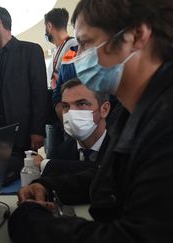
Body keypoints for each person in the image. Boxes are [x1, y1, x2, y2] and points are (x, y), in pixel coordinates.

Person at [9, 0, 173, 242]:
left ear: (136, 35)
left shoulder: (165, 123)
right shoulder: (130, 112)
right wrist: (48, 186)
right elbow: (107, 177)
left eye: (85, 44)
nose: (78, 59)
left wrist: (30, 221)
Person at [0, 6, 47, 183]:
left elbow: (39, 92)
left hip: (25, 132)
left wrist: (37, 130)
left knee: (27, 177)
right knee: (4, 177)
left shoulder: (30, 51)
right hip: (0, 134)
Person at [33, 79, 110, 177]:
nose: (72, 112)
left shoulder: (121, 149)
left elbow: (104, 172)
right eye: (65, 106)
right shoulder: (61, 152)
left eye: (81, 104)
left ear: (104, 109)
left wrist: (46, 164)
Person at [43, 8, 78, 159]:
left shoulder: (72, 46)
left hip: (67, 114)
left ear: (49, 26)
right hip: (56, 114)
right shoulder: (59, 49)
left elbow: (70, 85)